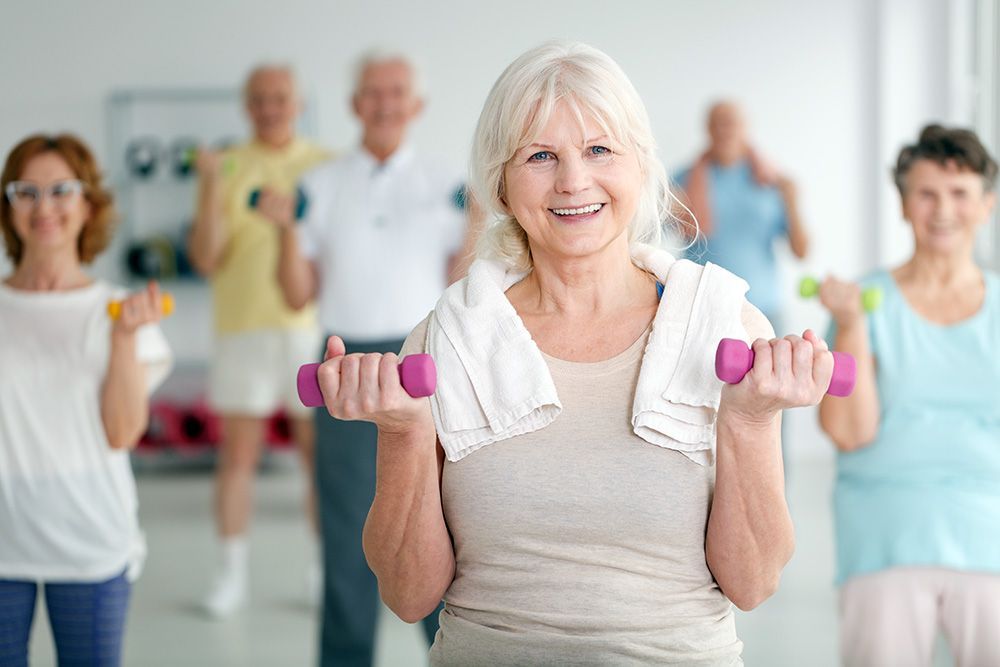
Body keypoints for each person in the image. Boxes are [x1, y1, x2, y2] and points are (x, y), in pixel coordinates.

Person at [311, 41, 836, 665]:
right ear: (500, 184)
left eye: (598, 150)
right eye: (540, 156)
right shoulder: (447, 340)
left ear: (640, 166)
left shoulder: (723, 325)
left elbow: (752, 584)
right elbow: (409, 594)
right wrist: (402, 433)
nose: (573, 181)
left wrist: (749, 420)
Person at [269, 51, 470, 665]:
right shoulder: (319, 185)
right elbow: (297, 292)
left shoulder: (450, 185)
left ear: (417, 105)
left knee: (439, 517)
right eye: (372, 92)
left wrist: (482, 220)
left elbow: (458, 285)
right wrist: (281, 228)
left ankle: (450, 652)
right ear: (355, 104)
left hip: (425, 361)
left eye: (397, 91)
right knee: (346, 523)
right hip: (344, 363)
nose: (385, 102)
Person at [818, 125, 1000, 667]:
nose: (943, 210)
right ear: (903, 205)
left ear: (986, 205)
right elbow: (851, 432)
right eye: (926, 193)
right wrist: (850, 326)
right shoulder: (863, 302)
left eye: (960, 193)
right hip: (887, 534)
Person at [0, 134, 172, 666]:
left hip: (90, 539)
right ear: (8, 206)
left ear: (88, 204)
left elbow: (121, 433)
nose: (43, 206)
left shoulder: (121, 310)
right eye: (25, 191)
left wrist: (122, 340)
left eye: (61, 190)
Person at [187, 64, 331, 617]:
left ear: (296, 103)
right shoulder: (226, 166)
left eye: (280, 98)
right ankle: (230, 577)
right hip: (242, 328)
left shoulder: (323, 165)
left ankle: (322, 572)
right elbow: (204, 258)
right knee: (238, 458)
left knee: (317, 460)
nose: (270, 108)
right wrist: (207, 185)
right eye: (259, 100)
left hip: (309, 329)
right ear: (246, 106)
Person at [674, 101, 809, 328]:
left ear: (746, 127)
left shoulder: (772, 181)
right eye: (717, 123)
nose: (724, 130)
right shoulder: (683, 181)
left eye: (731, 123)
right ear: (707, 129)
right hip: (701, 312)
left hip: (764, 311)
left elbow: (801, 251)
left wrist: (793, 202)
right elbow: (661, 233)